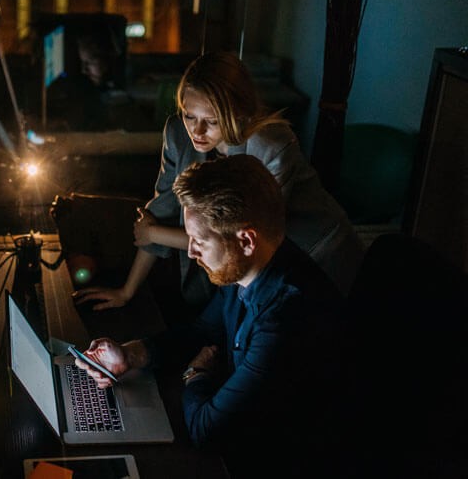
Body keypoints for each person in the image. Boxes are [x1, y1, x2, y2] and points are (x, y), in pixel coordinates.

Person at [74, 156, 346, 478]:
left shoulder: (286, 318)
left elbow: (207, 431)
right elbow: (202, 330)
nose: (190, 251)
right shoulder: (246, 268)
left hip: (277, 461)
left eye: (199, 241)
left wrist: (194, 374)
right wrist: (131, 354)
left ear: (246, 240)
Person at [74, 51, 364, 313]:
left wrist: (156, 235)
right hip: (251, 262)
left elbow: (243, 241)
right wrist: (127, 291)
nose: (196, 131)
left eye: (211, 121)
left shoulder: (269, 145)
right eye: (189, 116)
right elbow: (159, 212)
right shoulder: (178, 133)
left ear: (237, 112)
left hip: (317, 254)